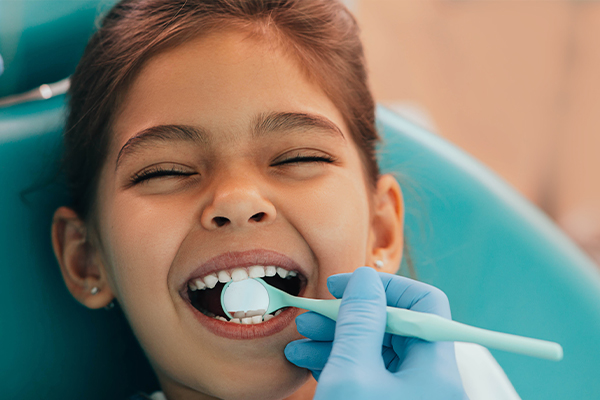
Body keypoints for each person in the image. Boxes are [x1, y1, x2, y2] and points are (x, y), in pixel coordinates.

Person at [50, 1, 518, 399]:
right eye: (166, 171)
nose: (236, 200)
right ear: (87, 259)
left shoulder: (461, 381)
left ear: (382, 230)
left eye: (297, 158)